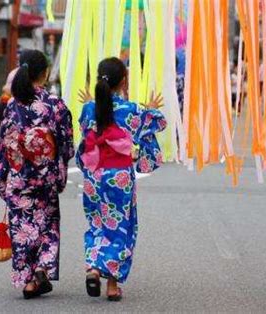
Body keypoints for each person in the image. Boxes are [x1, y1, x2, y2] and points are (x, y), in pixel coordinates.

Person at [77, 57, 166, 301]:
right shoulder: (133, 111)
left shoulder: (88, 109)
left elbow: (87, 133)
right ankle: (113, 285)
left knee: (97, 222)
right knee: (119, 227)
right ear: (124, 81)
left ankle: (94, 267)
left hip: (94, 176)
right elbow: (158, 122)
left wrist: (89, 105)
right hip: (120, 177)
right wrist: (149, 108)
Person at [0, 50, 74, 299]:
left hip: (18, 177)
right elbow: (66, 142)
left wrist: (2, 175)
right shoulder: (54, 104)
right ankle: (41, 269)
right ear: (45, 72)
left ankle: (28, 281)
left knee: (23, 228)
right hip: (45, 176)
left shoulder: (12, 106)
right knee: (47, 224)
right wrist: (59, 169)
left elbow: (4, 143)